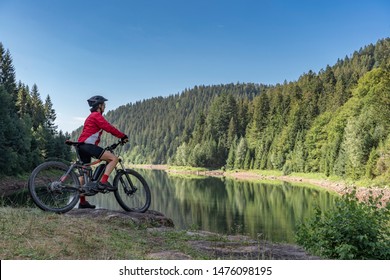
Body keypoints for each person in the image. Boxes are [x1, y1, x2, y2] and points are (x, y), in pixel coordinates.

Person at [77, 95, 128, 209]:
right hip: (87, 146)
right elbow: (108, 127)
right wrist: (122, 136)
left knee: (84, 174)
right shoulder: (96, 115)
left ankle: (82, 202)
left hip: (81, 146)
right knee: (114, 159)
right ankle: (103, 182)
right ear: (99, 106)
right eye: (104, 104)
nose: (105, 106)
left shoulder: (91, 116)